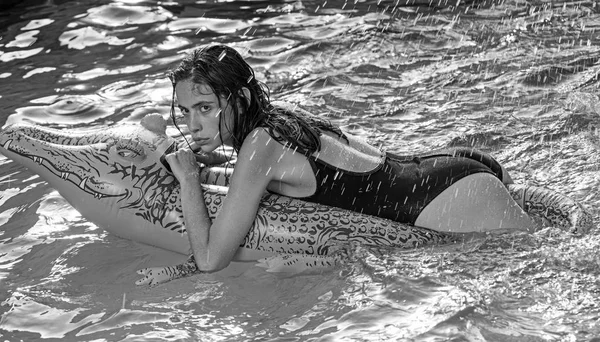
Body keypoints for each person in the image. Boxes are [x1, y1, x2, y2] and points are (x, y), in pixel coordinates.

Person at [152, 44, 534, 276]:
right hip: (449, 170)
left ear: (242, 101)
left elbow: (210, 259)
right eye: (185, 112)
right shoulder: (278, 119)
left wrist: (188, 179)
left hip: (449, 202)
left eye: (205, 108)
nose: (193, 124)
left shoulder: (259, 147)